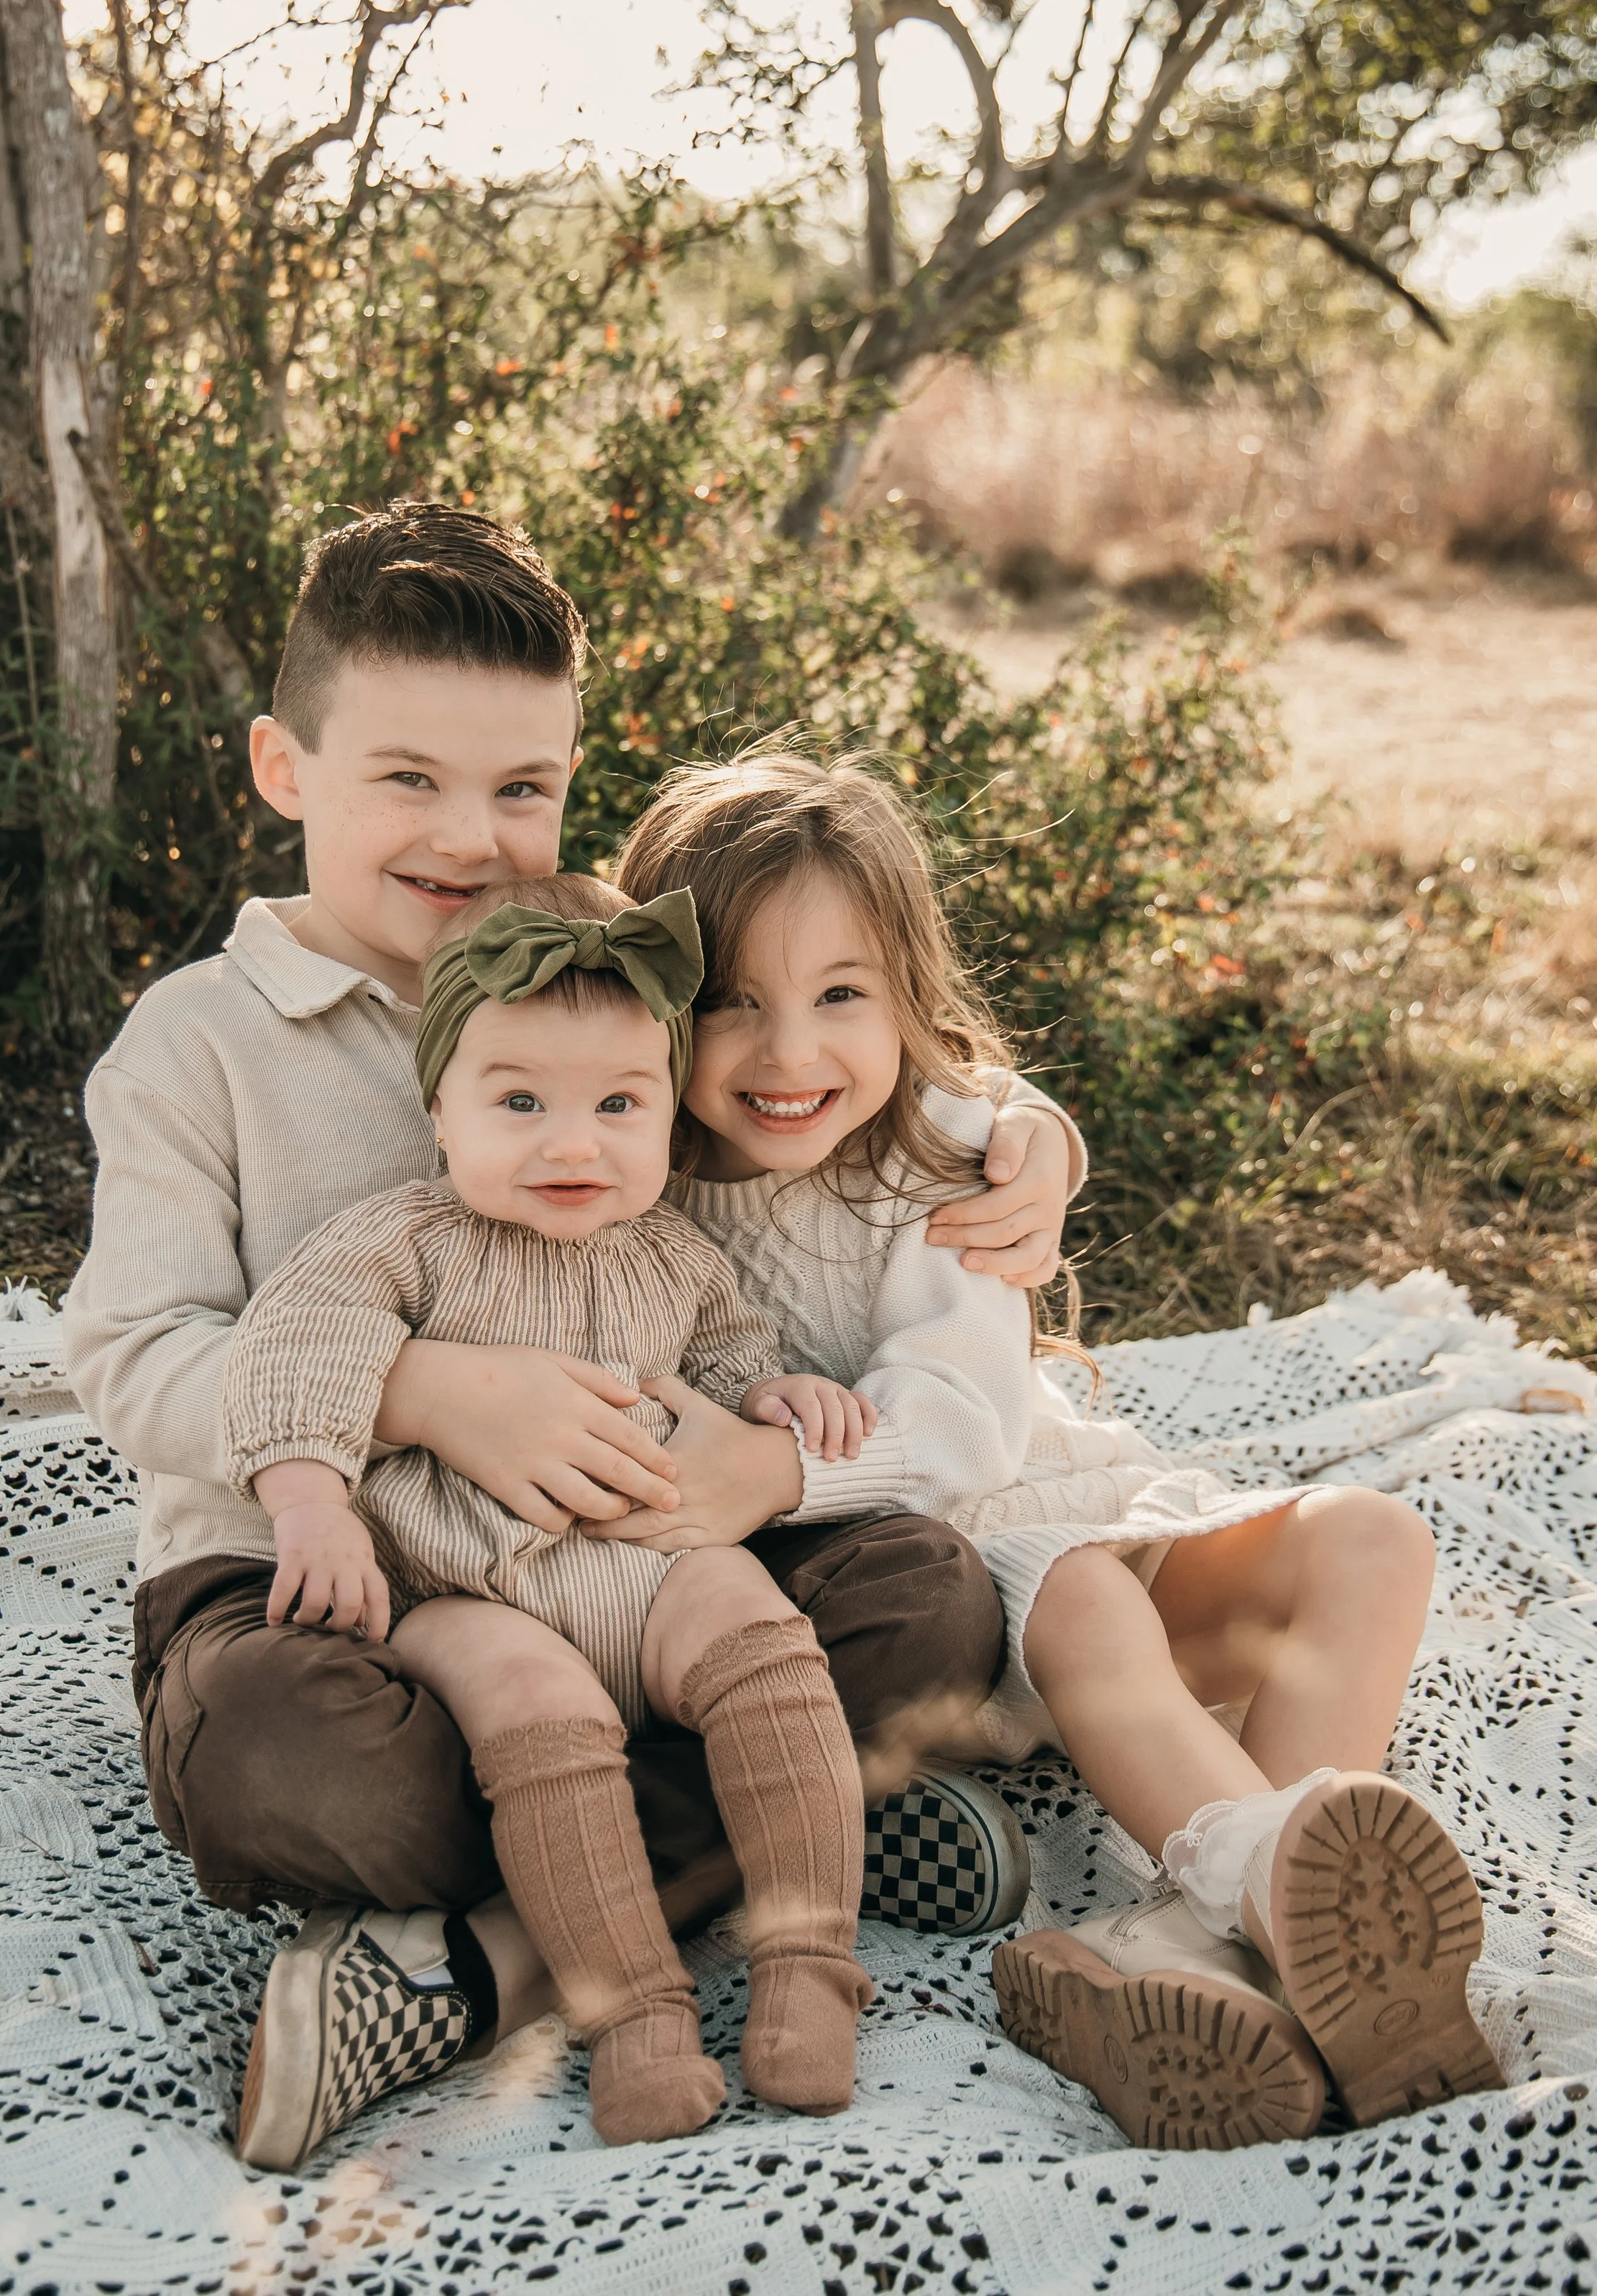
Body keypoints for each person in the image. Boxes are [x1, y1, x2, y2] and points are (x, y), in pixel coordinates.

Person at [63, 502, 1087, 2170]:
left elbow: (817, 1044)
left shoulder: (605, 980)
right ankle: (791, 1826)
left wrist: (1025, 1126)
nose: (469, 834)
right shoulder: (195, 1046)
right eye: (406, 778)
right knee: (301, 1776)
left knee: (926, 1601)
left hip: (637, 1546)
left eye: (521, 788)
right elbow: (130, 1355)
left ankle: (502, 1950)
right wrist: (420, 1394)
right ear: (282, 766)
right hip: (322, 1584)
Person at [604, 751, 1502, 2154]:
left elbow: (965, 1424)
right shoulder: (622, 1182)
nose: (788, 1056)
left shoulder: (941, 1148)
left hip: (1041, 1502)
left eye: (841, 995)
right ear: (658, 1007)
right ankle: (1277, 1915)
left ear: (904, 993)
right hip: (929, 1598)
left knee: (1372, 1539)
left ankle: (1223, 1950)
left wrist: (1035, 1137)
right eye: (730, 1002)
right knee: (1083, 1589)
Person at [223, 873, 884, 2151]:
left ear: (667, 1116)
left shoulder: (679, 1256)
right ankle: (634, 2017)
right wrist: (312, 1509)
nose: (571, 1144)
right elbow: (294, 1349)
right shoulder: (401, 1242)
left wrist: (776, 1393)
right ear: (439, 1106)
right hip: (467, 1582)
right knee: (538, 1701)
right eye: (519, 1101)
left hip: (645, 1571)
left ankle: (810, 1969)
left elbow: (737, 1354)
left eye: (619, 1104)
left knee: (758, 1626)